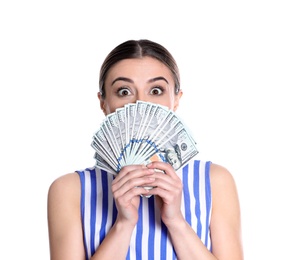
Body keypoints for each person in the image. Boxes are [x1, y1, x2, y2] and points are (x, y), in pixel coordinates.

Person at [47, 39, 243, 260]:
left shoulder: (215, 181)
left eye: (156, 90)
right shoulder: (69, 190)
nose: (141, 103)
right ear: (103, 103)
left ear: (176, 100)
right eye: (123, 91)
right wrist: (123, 224)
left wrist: (176, 222)